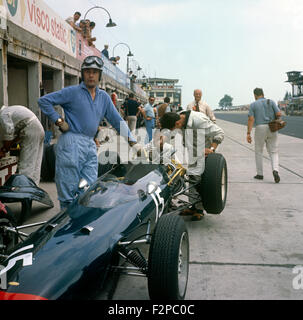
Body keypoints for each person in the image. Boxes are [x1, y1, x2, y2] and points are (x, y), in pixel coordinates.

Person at [38, 55, 136, 209]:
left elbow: (117, 120)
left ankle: (82, 223)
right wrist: (59, 121)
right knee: (68, 192)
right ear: (83, 74)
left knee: (89, 189)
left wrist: (132, 141)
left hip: (90, 144)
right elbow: (44, 101)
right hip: (71, 142)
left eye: (95, 72)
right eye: (88, 72)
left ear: (99, 75)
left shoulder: (103, 97)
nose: (91, 75)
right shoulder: (72, 92)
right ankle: (67, 223)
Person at [160, 111, 224, 221]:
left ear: (178, 124)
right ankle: (193, 207)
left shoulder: (198, 121)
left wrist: (212, 149)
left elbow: (220, 133)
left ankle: (199, 210)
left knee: (202, 182)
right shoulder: (177, 119)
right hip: (193, 152)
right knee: (192, 178)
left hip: (205, 152)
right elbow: (169, 135)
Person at [0, 105, 45, 185]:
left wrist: (4, 149)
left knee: (26, 166)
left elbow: (8, 136)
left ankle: (24, 191)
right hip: (38, 129)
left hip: (31, 130)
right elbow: (15, 138)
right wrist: (7, 146)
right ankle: (33, 191)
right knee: (35, 166)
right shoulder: (10, 111)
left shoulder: (3, 116)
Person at [247, 88, 281, 183]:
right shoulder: (271, 102)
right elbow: (278, 113)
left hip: (260, 127)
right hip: (272, 127)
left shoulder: (253, 104)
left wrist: (248, 133)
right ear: (263, 94)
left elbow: (251, 119)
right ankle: (275, 170)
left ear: (255, 95)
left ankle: (260, 174)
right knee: (274, 151)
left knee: (259, 151)